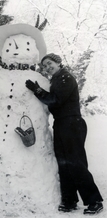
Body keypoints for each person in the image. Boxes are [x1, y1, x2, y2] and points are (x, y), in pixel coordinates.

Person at [25, 53, 103, 215]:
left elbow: (55, 100)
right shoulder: (56, 80)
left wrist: (37, 90)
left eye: (49, 63)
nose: (47, 67)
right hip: (61, 124)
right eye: (44, 66)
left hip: (72, 123)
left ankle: (94, 201)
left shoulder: (66, 78)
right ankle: (69, 200)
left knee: (76, 163)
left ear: (58, 62)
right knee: (64, 164)